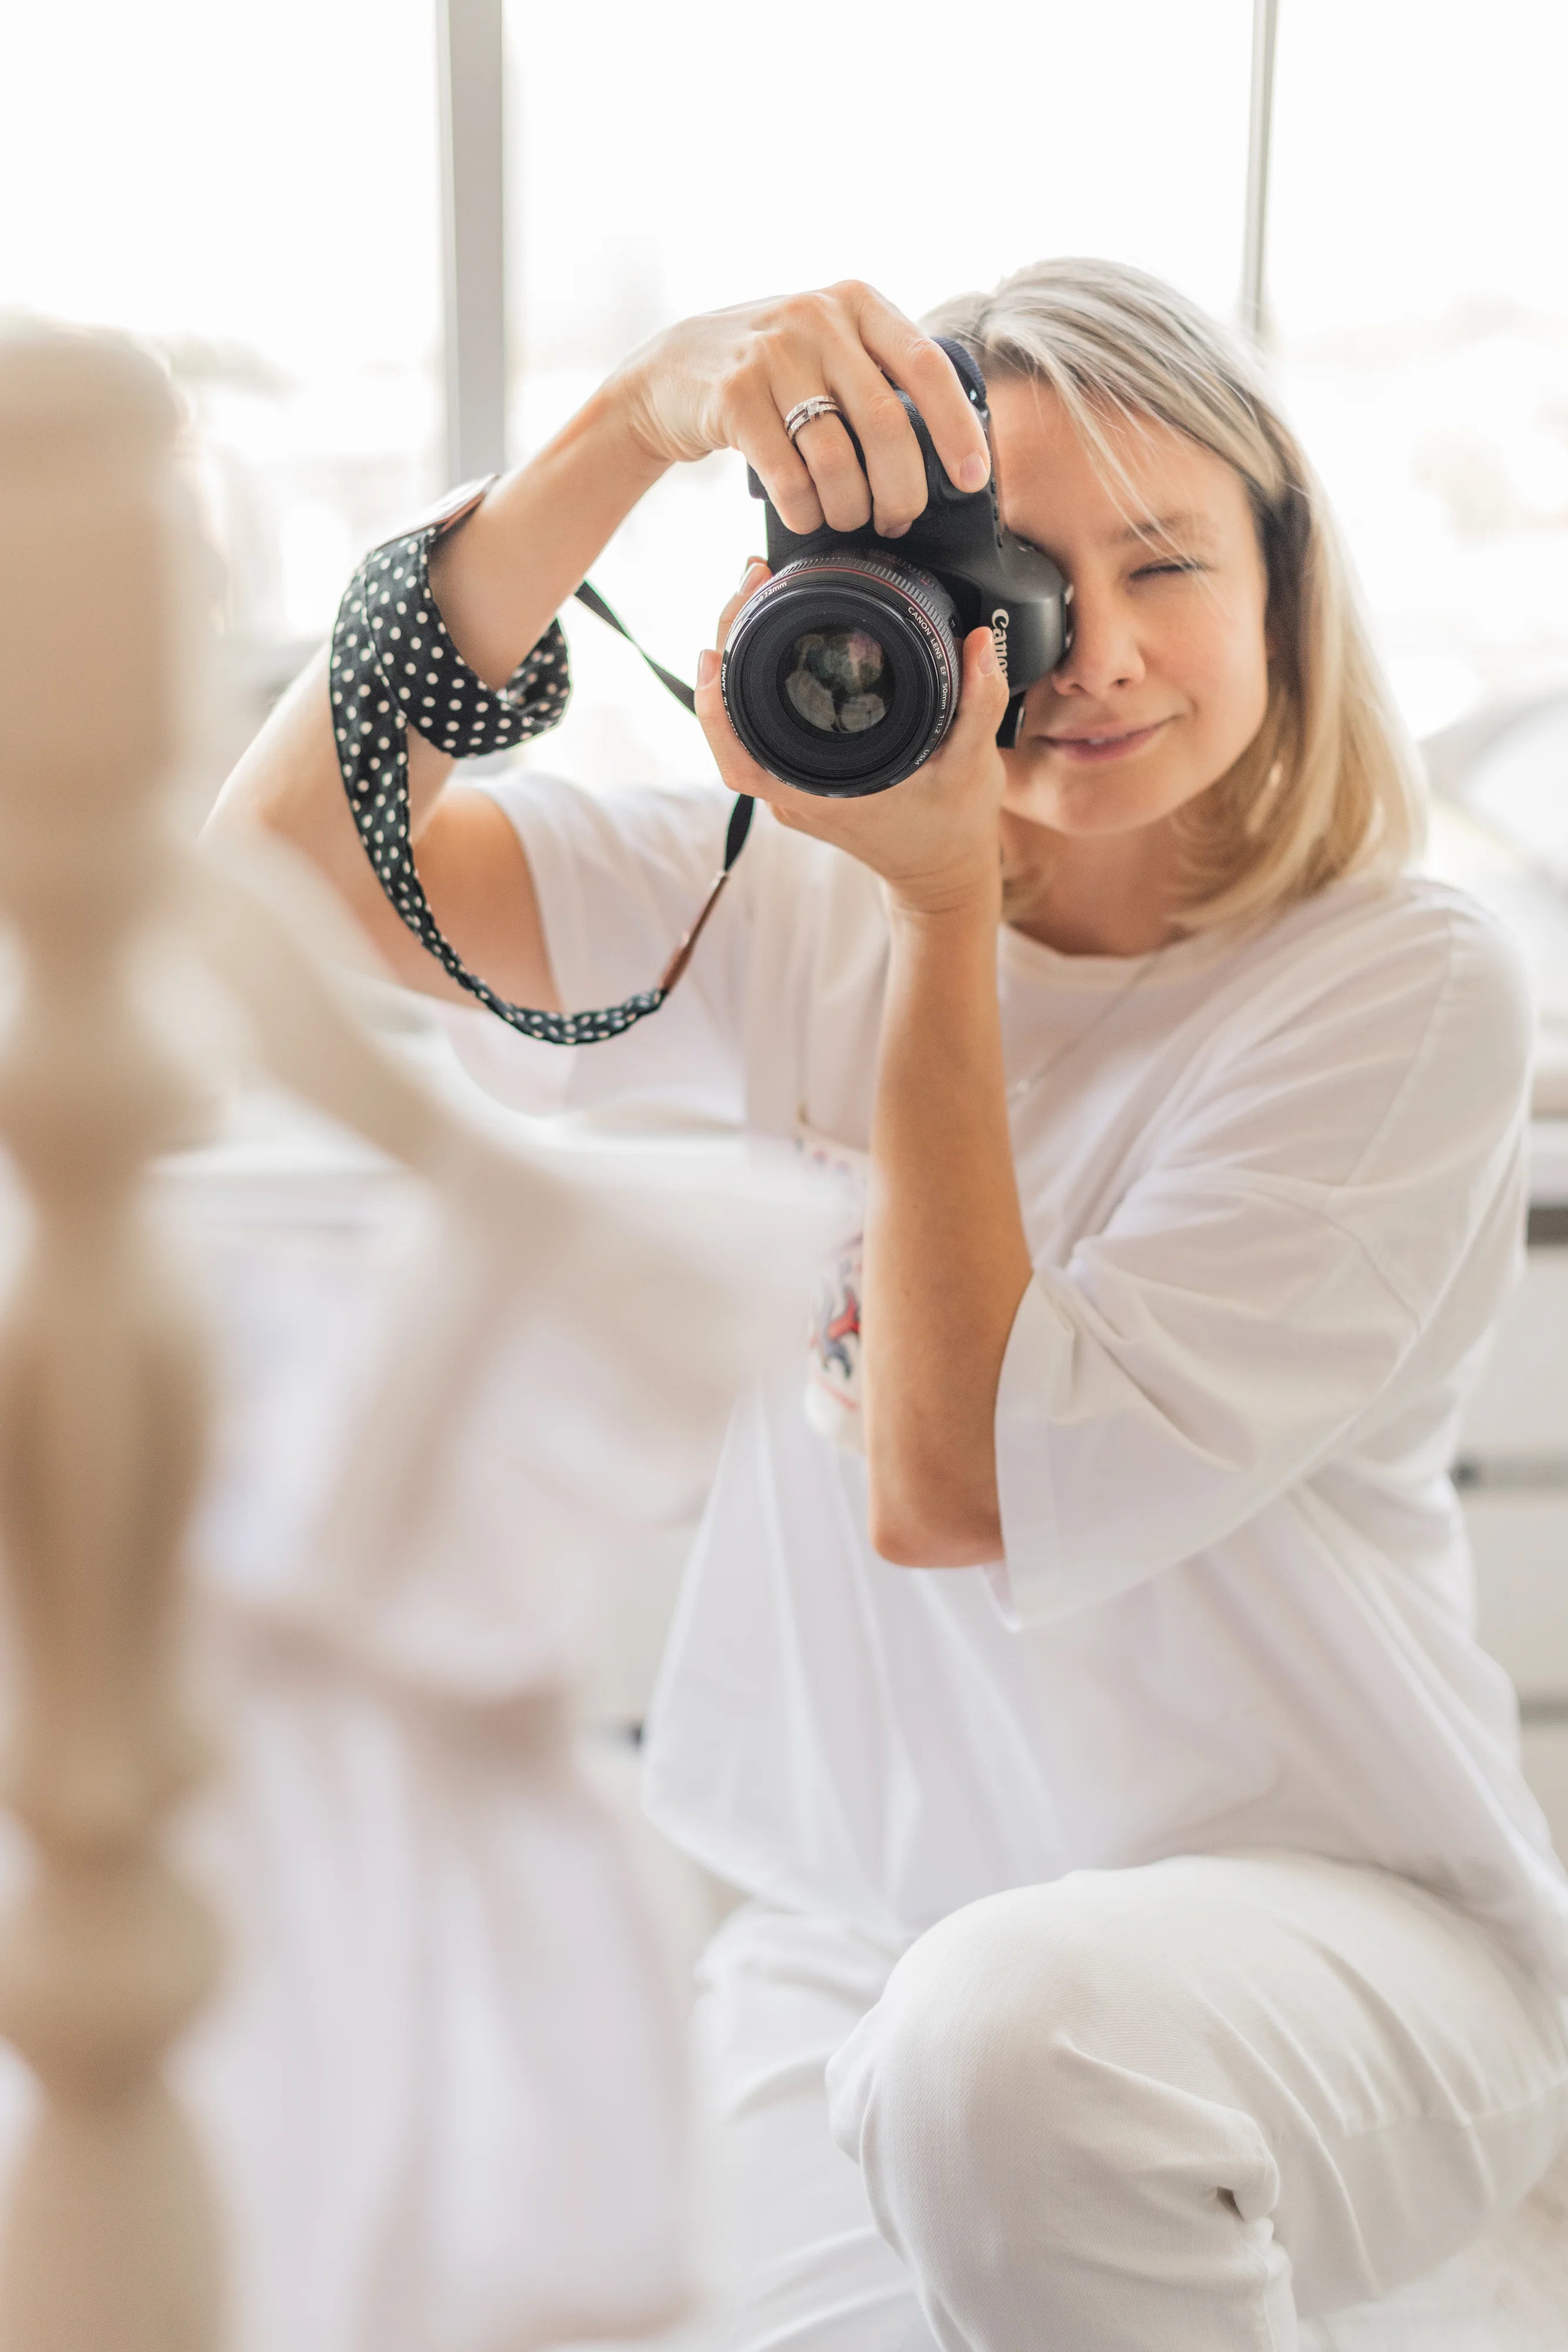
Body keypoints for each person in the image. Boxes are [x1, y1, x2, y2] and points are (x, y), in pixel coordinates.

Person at [210, 260, 1568, 2350]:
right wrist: (627, 433)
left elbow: (961, 1486)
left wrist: (934, 906)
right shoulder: (791, 882)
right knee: (928, 2070)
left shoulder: (1394, 985)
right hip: (855, 1933)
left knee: (1007, 2052)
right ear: (882, 612)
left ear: (1286, 595)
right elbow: (282, 879)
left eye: (1166, 565)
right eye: (1017, 580)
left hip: (1335, 1945)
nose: (1095, 656)